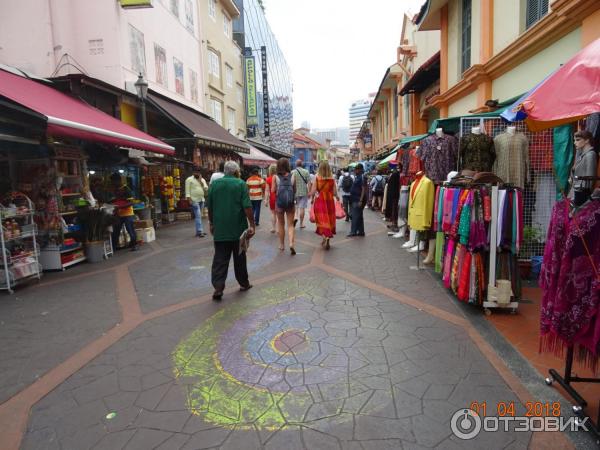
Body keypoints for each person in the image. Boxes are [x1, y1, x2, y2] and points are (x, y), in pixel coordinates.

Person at [207, 161, 255, 301]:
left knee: (220, 259)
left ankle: (218, 287)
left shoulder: (214, 184)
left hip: (220, 228)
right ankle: (244, 283)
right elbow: (247, 206)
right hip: (238, 229)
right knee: (240, 258)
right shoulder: (240, 184)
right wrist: (252, 224)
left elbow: (210, 206)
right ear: (236, 171)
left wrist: (211, 223)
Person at [309, 160, 339, 250]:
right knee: (329, 219)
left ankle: (325, 236)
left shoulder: (317, 177)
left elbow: (313, 191)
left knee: (321, 219)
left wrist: (310, 196)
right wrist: (337, 197)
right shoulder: (332, 178)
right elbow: (334, 192)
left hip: (320, 200)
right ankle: (327, 237)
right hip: (329, 201)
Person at [272, 157, 297, 254]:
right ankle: (291, 243)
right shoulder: (293, 175)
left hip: (279, 204)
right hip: (290, 203)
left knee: (281, 224)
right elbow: (294, 190)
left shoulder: (275, 177)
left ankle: (282, 245)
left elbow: (273, 190)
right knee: (290, 225)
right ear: (288, 165)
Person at [110, 173, 138, 251]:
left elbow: (132, 202)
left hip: (128, 213)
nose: (112, 183)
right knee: (115, 231)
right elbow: (116, 200)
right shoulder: (115, 190)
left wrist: (120, 207)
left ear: (118, 181)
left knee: (130, 229)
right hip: (118, 214)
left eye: (113, 182)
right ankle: (114, 247)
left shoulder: (126, 189)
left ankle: (134, 244)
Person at [185, 167, 208, 237]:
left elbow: (206, 189)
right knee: (198, 215)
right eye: (196, 172)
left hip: (201, 199)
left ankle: (198, 231)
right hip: (194, 200)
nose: (197, 173)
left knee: (199, 216)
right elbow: (187, 190)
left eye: (198, 172)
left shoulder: (202, 179)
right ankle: (200, 231)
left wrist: (201, 181)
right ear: (193, 172)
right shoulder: (189, 179)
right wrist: (189, 199)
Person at [348, 163, 367, 237]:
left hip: (358, 199)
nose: (355, 170)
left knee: (355, 216)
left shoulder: (361, 177)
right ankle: (361, 231)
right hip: (356, 198)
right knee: (359, 216)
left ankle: (353, 232)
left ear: (360, 169)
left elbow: (363, 189)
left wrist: (361, 200)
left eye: (356, 169)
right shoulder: (358, 176)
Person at [292, 159, 310, 228]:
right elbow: (309, 183)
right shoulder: (306, 172)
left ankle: (295, 217)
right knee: (302, 208)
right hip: (304, 192)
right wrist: (309, 191)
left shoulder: (292, 172)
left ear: (296, 165)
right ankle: (301, 224)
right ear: (301, 164)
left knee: (296, 206)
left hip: (295, 193)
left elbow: (292, 183)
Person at [264, 164, 278, 233]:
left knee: (273, 213)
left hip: (272, 198)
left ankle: (273, 228)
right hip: (280, 197)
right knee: (280, 214)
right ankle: (279, 228)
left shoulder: (268, 179)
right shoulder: (279, 177)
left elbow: (266, 190)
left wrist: (266, 200)